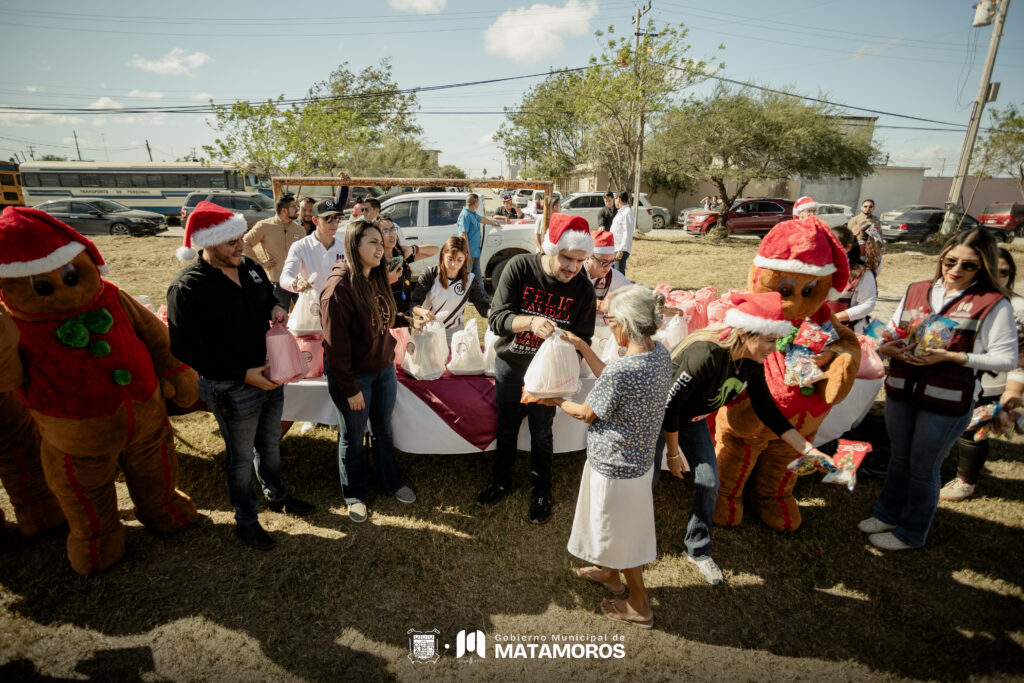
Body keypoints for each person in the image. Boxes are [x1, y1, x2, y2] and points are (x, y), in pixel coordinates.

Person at [168, 201, 314, 551]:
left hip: (269, 373)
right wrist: (241, 374)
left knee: (270, 444)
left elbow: (265, 298)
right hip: (230, 386)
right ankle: (246, 520)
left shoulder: (248, 267)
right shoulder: (188, 287)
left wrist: (276, 307)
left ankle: (276, 495)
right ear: (207, 242)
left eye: (239, 238)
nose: (240, 246)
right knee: (240, 456)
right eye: (230, 241)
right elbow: (185, 348)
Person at [659, 291, 832, 584]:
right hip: (659, 418)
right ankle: (630, 547)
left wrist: (810, 450)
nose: (773, 348)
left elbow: (768, 411)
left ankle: (698, 550)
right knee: (645, 482)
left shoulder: (751, 362)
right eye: (768, 340)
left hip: (692, 420)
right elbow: (669, 408)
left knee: (709, 482)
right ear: (744, 333)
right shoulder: (706, 355)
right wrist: (673, 454)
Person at [862, 228, 1017, 550]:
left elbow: (1006, 358)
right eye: (950, 261)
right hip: (901, 389)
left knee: (923, 467)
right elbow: (891, 330)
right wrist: (886, 346)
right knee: (899, 457)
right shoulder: (917, 289)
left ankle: (911, 533)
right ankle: (887, 513)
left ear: (984, 267)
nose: (956, 270)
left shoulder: (991, 303)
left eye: (969, 265)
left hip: (946, 400)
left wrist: (954, 356)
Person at [540, 285, 671, 628]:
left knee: (623, 538)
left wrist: (552, 399)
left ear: (626, 325)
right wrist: (583, 346)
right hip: (639, 461)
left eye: (610, 319)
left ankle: (641, 605)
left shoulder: (623, 370)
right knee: (616, 529)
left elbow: (586, 413)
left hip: (616, 468)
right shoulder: (659, 354)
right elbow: (612, 380)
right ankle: (610, 574)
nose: (608, 326)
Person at [477, 214, 597, 524]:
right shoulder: (520, 268)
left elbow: (584, 337)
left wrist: (566, 362)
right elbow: (497, 319)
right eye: (567, 257)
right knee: (506, 427)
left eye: (580, 260)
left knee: (542, 433)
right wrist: (530, 322)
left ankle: (541, 492)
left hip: (549, 378)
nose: (572, 267)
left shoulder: (583, 289)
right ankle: (501, 481)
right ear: (550, 248)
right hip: (512, 365)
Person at [320, 219, 417, 523]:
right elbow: (336, 350)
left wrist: (408, 319)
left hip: (383, 367)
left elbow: (382, 316)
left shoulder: (374, 276)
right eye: (373, 242)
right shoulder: (338, 290)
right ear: (354, 246)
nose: (381, 246)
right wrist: (350, 389)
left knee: (384, 429)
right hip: (354, 376)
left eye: (382, 239)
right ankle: (355, 494)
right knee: (352, 435)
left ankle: (391, 482)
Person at [941, 247, 1024, 501]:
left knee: (973, 429)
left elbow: (1021, 352)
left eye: (1004, 272)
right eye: (992, 271)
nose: (998, 278)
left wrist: (1013, 389)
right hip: (952, 376)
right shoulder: (958, 296)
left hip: (991, 381)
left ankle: (966, 480)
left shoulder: (1016, 306)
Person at [411, 236, 490, 344]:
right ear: (443, 254)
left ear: (466, 257)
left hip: (454, 333)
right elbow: (414, 303)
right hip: (428, 329)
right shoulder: (430, 274)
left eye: (459, 260)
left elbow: (482, 306)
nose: (454, 265)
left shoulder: (470, 280)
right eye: (450, 259)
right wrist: (422, 311)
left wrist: (495, 314)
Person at [242, 193, 305, 310]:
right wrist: (260, 264)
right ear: (284, 210)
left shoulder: (300, 229)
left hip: (300, 283)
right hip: (278, 283)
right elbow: (245, 243)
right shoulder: (264, 226)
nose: (297, 209)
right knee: (280, 321)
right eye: (293, 206)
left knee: (304, 322)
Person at [280, 198, 346, 298]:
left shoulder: (344, 248)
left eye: (336, 218)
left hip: (338, 307)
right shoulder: (301, 247)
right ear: (315, 220)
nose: (333, 222)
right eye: (327, 218)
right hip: (310, 308)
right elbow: (285, 277)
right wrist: (296, 283)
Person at [380, 214, 439, 315]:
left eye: (393, 229)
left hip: (406, 314)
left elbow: (434, 250)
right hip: (387, 315)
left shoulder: (401, 254)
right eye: (385, 231)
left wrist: (413, 249)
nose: (391, 234)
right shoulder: (376, 260)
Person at [829, 226, 877, 333]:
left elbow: (867, 305)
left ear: (848, 247)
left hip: (848, 331)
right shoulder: (824, 269)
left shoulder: (863, 274)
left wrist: (835, 318)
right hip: (820, 330)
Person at [458, 193, 501, 301]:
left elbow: (482, 219)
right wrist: (467, 253)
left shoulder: (472, 214)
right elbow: (463, 235)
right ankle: (468, 299)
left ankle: (483, 297)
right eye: (478, 202)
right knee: (467, 277)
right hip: (469, 253)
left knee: (477, 276)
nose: (478, 204)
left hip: (475, 252)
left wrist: (493, 223)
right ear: (475, 202)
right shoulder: (465, 215)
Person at [586, 230, 630, 304]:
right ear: (587, 257)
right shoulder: (575, 273)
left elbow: (633, 292)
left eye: (611, 262)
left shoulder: (612, 275)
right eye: (603, 262)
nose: (607, 268)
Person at [848, 198, 884, 274]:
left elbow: (879, 234)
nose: (868, 208)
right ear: (861, 207)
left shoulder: (876, 219)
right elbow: (849, 236)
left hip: (872, 249)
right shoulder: (854, 220)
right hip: (859, 249)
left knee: (871, 271)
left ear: (873, 208)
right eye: (865, 206)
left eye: (870, 207)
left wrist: (880, 246)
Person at [610, 191, 635, 276]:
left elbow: (627, 232)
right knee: (614, 274)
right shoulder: (621, 212)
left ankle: (623, 289)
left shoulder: (627, 213)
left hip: (620, 249)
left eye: (615, 199)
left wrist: (621, 250)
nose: (614, 201)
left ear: (619, 199)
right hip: (615, 248)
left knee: (619, 274)